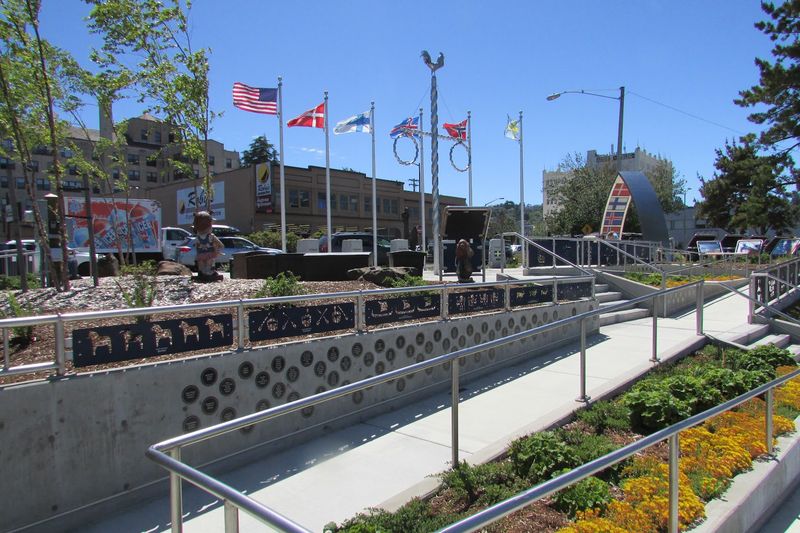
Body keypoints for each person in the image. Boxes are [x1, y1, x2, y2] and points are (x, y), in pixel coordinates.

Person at [193, 211, 224, 282]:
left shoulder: (197, 237)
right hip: (209, 253)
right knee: (209, 263)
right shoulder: (211, 236)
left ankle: (202, 272)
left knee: (201, 264)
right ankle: (208, 273)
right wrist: (219, 247)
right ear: (209, 226)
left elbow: (196, 246)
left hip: (200, 254)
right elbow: (220, 244)